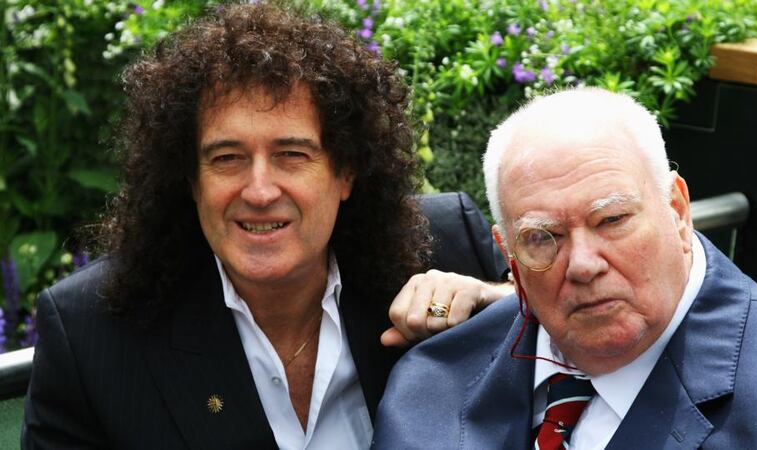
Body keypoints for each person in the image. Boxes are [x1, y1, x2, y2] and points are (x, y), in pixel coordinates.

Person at [21, 3, 511, 449]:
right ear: (190, 179)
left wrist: (499, 301)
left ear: (346, 172)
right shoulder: (91, 335)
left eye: (291, 155)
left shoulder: (445, 250)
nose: (259, 191)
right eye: (227, 158)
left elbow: (571, 355)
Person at [372, 88, 757, 449]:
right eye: (542, 237)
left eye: (612, 221)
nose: (582, 265)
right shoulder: (429, 390)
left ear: (678, 211)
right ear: (510, 255)